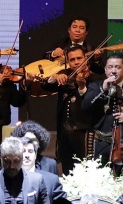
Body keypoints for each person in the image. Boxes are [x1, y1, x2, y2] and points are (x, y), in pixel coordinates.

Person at [81, 54, 123, 178]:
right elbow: (85, 107)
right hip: (101, 142)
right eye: (110, 67)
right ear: (105, 70)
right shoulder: (94, 86)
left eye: (118, 67)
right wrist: (103, 89)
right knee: (99, 180)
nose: (113, 70)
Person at [40, 45, 99, 175]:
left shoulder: (95, 81)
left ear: (86, 59)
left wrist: (82, 86)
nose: (76, 62)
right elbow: (45, 85)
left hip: (84, 136)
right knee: (67, 172)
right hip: (65, 135)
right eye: (72, 60)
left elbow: (91, 104)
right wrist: (54, 76)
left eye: (79, 58)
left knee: (85, 173)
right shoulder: (66, 79)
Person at [20, 134, 67, 204]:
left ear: (35, 155)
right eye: (23, 151)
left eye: (30, 151)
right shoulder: (6, 179)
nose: (27, 155)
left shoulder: (51, 180)